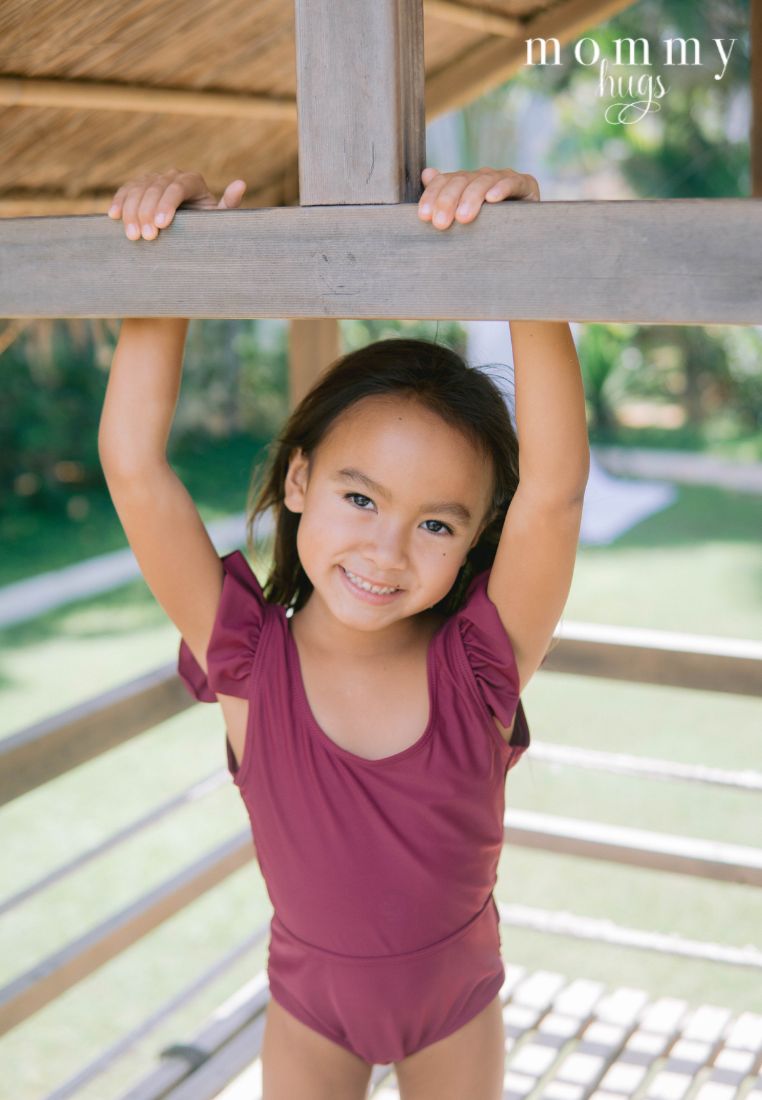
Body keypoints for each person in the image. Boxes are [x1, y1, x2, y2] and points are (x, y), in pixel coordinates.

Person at [101, 166, 589, 1100]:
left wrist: (529, 256)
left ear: (474, 541)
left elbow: (555, 492)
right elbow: (132, 466)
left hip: (453, 1005)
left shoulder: (482, 666)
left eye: (436, 524)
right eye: (358, 497)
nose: (386, 549)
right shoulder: (244, 655)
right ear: (297, 483)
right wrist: (163, 258)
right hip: (310, 1007)